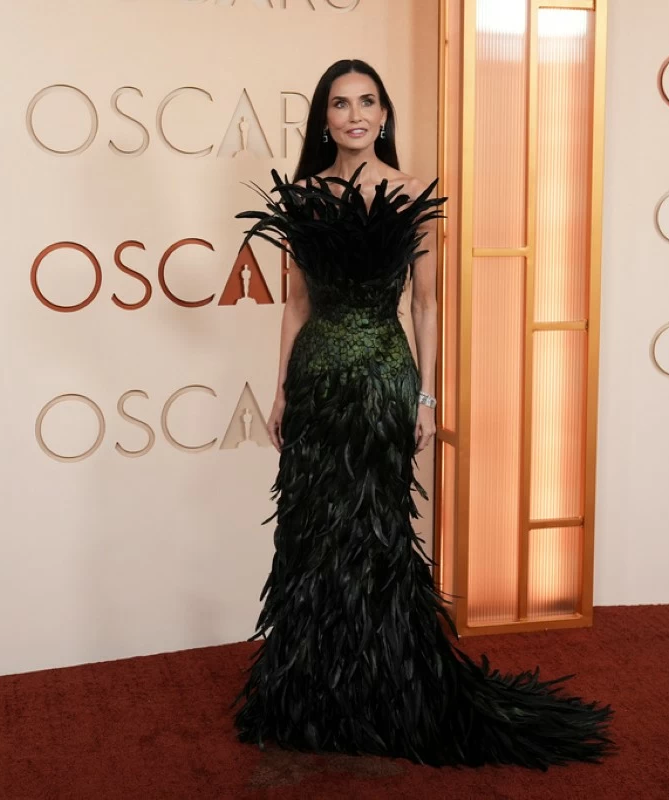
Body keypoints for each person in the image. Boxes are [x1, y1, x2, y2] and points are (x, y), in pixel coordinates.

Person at [230, 59, 616, 770]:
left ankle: (384, 687)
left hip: (383, 379)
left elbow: (429, 304)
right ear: (324, 119)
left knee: (376, 536)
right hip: (318, 382)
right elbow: (295, 305)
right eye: (341, 103)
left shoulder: (410, 194)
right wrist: (280, 389)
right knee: (312, 535)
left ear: (384, 116)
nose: (354, 114)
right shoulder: (306, 198)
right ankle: (314, 691)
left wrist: (427, 396)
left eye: (367, 101)